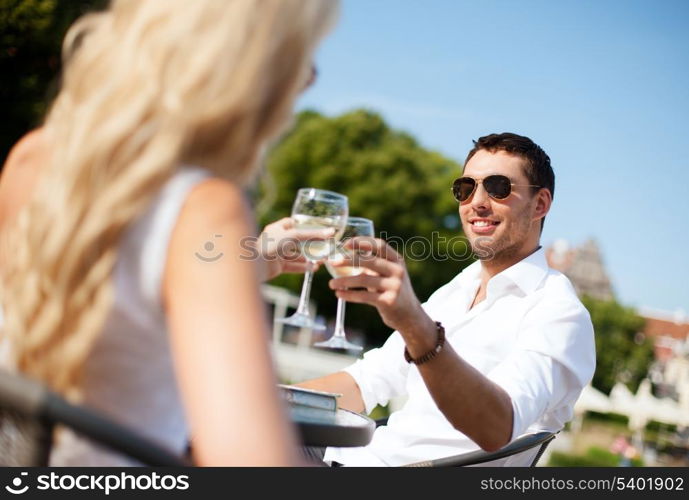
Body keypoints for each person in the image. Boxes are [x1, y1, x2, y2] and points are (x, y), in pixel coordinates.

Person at [0, 0, 338, 466]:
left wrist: (260, 259)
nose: (309, 82)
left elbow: (122, 284)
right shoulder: (205, 205)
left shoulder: (32, 159)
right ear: (253, 63)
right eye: (303, 57)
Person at [298, 132, 596, 466]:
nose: (477, 202)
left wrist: (414, 323)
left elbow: (498, 426)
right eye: (466, 188)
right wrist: (265, 399)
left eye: (498, 187)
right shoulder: (460, 287)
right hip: (349, 458)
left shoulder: (557, 313)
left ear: (539, 204)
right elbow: (366, 382)